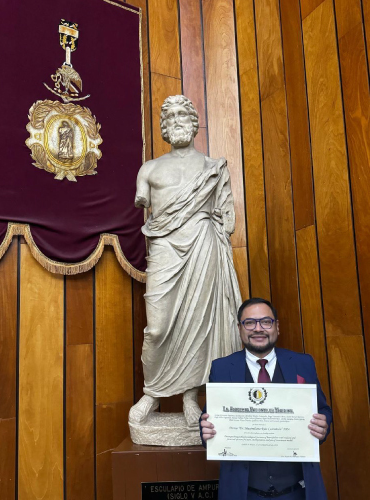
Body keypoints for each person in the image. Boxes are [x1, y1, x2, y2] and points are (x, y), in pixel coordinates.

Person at [129, 95, 242, 428]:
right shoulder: (148, 170)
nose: (177, 120)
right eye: (171, 116)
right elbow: (144, 206)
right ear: (164, 126)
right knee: (158, 327)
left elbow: (227, 218)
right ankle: (151, 393)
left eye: (183, 114)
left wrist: (216, 236)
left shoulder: (213, 168)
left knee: (197, 323)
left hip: (202, 247)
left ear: (194, 123)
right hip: (165, 249)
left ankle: (190, 397)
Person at [200, 297, 332, 500]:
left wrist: (323, 425)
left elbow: (323, 411)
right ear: (240, 328)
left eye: (266, 322)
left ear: (276, 327)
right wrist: (206, 431)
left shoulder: (302, 364)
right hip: (244, 492)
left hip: (298, 491)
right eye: (250, 322)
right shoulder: (222, 368)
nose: (258, 328)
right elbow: (209, 420)